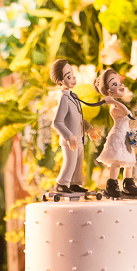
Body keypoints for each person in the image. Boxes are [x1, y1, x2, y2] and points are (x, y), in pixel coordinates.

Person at [50, 58, 100, 194]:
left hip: (79, 138)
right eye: (68, 76)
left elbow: (79, 119)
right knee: (70, 163)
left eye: (72, 73)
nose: (73, 78)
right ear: (61, 81)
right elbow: (57, 122)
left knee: (78, 163)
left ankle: (74, 184)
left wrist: (89, 129)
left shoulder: (74, 96)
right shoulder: (64, 99)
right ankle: (61, 183)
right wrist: (69, 136)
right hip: (70, 140)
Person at [94, 67, 137, 198]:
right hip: (119, 136)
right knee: (117, 161)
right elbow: (128, 113)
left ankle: (128, 184)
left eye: (120, 83)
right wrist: (112, 101)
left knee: (129, 161)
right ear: (109, 91)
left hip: (126, 136)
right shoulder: (114, 107)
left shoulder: (117, 103)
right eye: (115, 84)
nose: (121, 86)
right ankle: (112, 184)